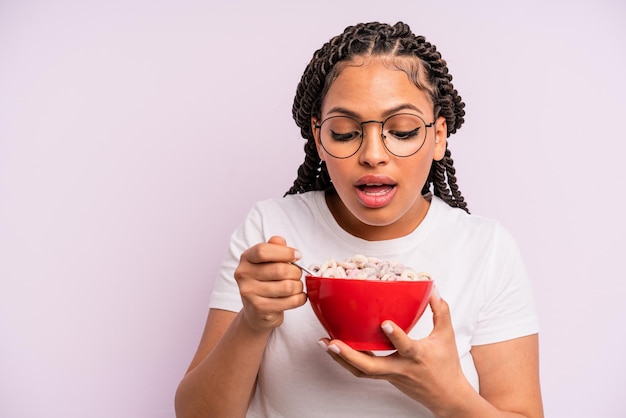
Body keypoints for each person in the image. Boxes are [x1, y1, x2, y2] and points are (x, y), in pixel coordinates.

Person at [174, 21, 543, 418]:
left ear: (438, 137)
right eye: (346, 133)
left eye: (401, 132)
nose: (372, 154)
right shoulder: (271, 230)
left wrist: (447, 394)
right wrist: (252, 321)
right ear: (319, 139)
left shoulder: (485, 249)